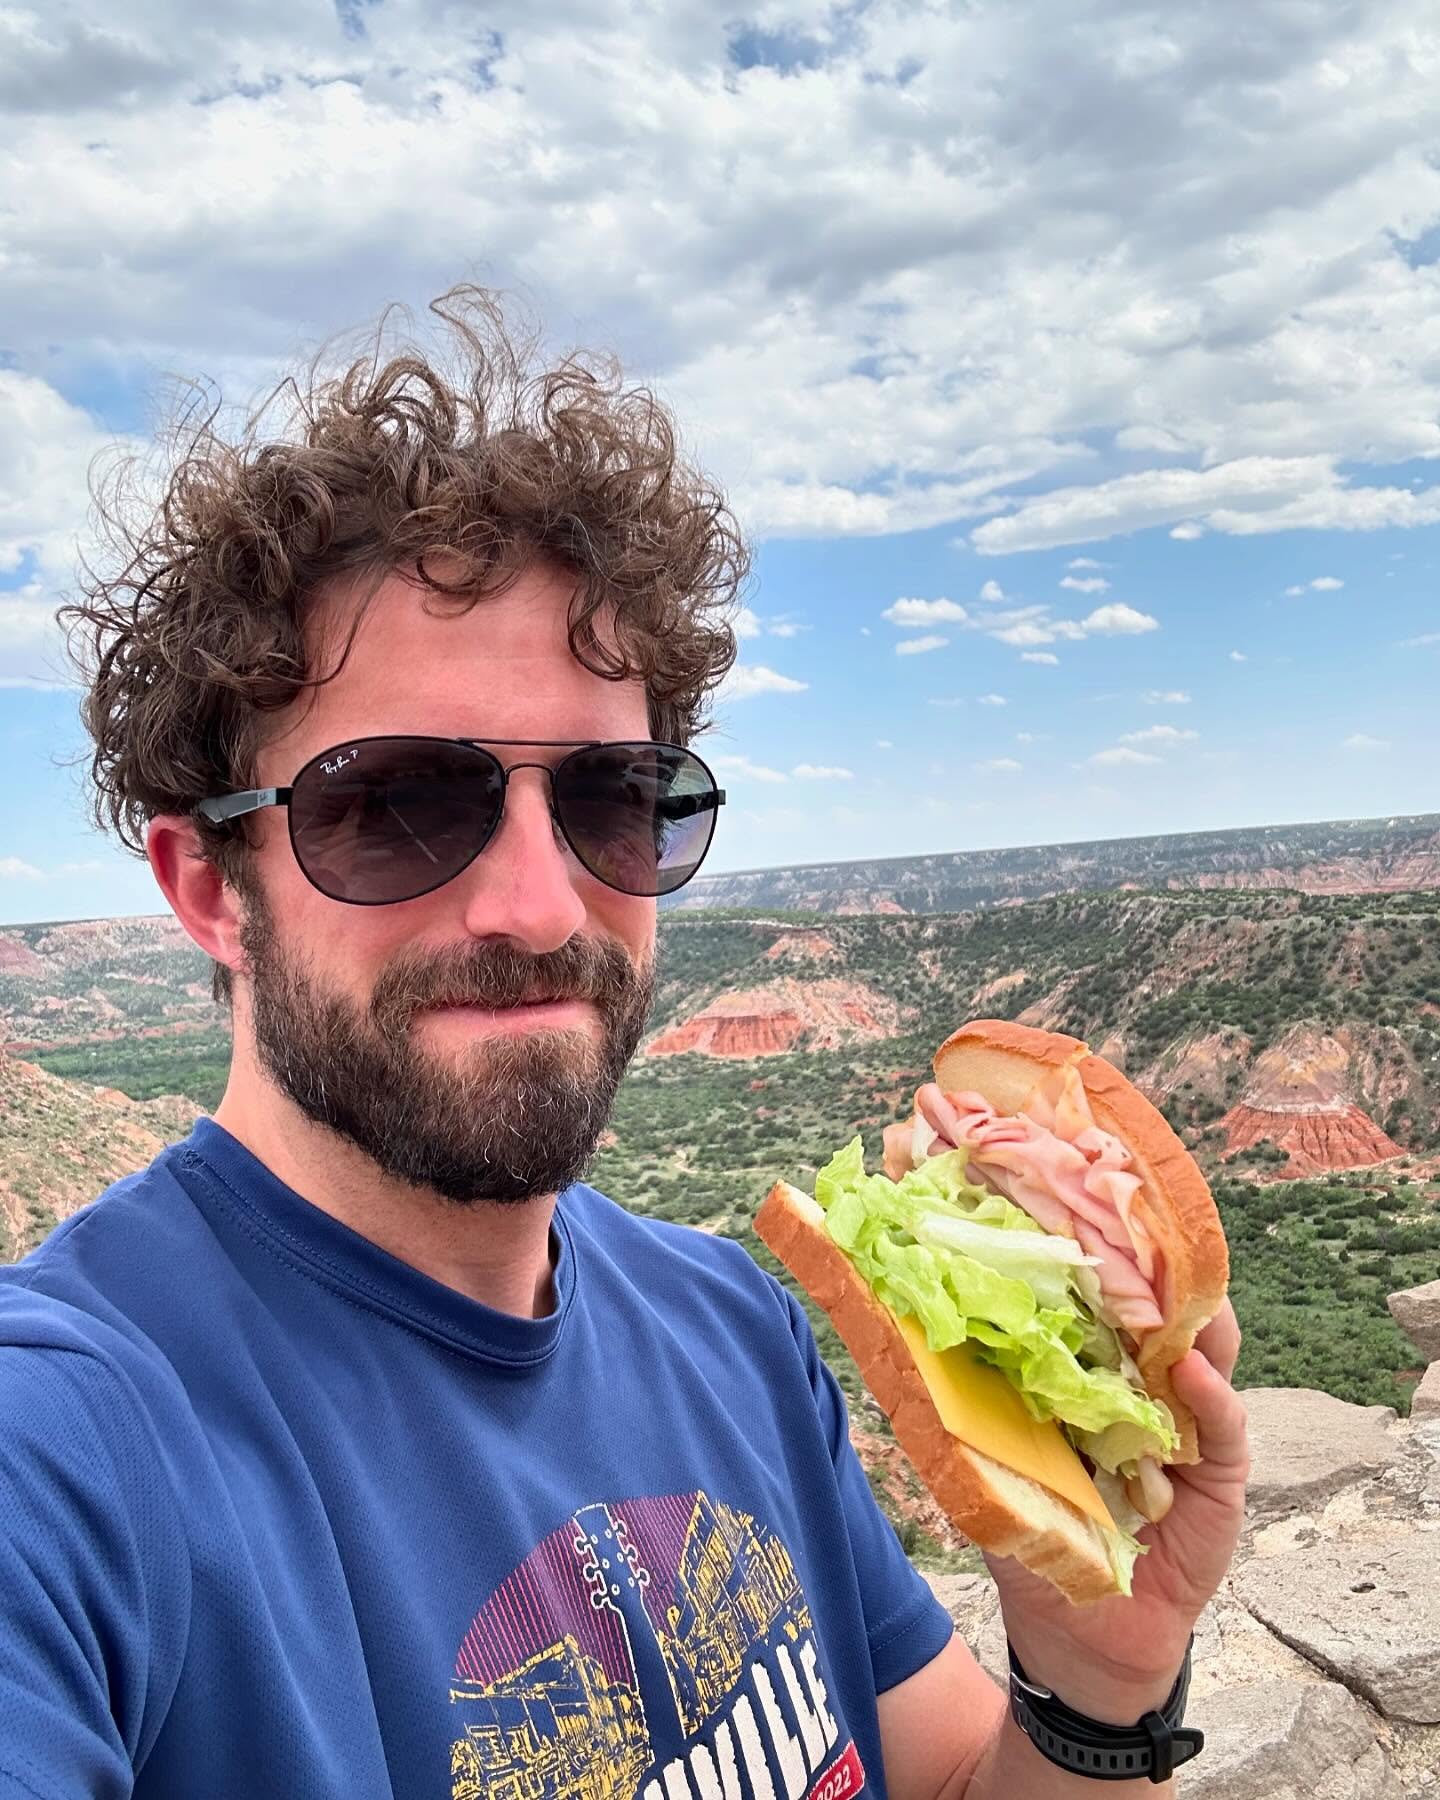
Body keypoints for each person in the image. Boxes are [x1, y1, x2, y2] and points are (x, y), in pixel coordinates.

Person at [1, 290, 1247, 1799]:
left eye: (610, 799)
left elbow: (951, 1780)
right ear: (210, 886)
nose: (537, 904)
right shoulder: (68, 1453)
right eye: (394, 805)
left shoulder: (734, 1325)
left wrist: (1096, 1688)